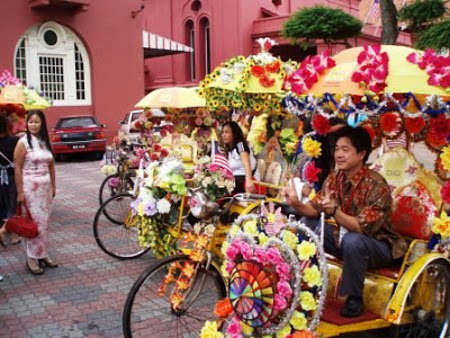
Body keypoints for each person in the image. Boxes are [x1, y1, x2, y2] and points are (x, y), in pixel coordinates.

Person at [282, 126, 407, 317]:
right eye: (337, 149)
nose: (339, 154)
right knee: (308, 225)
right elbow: (315, 211)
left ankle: (353, 298)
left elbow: (360, 227)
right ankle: (302, 283)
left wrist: (335, 211)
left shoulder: (376, 184)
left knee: (353, 240)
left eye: (345, 150)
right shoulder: (334, 179)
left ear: (361, 154)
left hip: (379, 245)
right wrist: (296, 203)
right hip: (345, 239)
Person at [14, 110, 57, 275]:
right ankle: (31, 258)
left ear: (42, 123)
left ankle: (43, 254)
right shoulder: (22, 142)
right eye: (30, 122)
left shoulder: (45, 142)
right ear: (27, 124)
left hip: (45, 190)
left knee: (45, 223)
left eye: (36, 122)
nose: (33, 125)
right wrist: (20, 192)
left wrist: (54, 186)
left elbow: (51, 165)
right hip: (30, 189)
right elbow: (17, 168)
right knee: (33, 223)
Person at [0, 113, 21, 247]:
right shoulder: (14, 141)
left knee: (3, 204)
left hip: (0, 177)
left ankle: (9, 232)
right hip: (12, 175)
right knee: (13, 205)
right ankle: (11, 234)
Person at [221, 121, 257, 194]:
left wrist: (249, 180)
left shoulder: (240, 145)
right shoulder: (229, 149)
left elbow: (246, 163)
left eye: (227, 132)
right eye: (223, 132)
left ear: (234, 133)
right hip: (234, 179)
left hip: (243, 180)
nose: (223, 135)